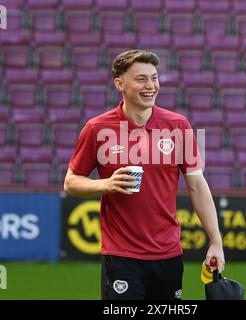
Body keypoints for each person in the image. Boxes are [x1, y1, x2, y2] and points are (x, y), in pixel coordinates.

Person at [64, 49, 225, 300]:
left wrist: (216, 241)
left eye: (154, 77)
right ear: (120, 84)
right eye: (141, 79)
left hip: (169, 254)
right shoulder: (97, 128)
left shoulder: (178, 125)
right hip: (121, 255)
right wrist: (106, 184)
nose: (150, 86)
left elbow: (197, 185)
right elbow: (71, 182)